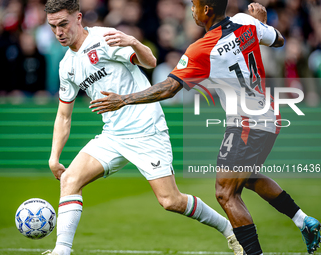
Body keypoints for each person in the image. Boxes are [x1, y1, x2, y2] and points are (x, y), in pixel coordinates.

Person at [89, 1, 321, 254]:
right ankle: (303, 220)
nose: (191, 11)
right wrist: (261, 23)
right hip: (266, 111)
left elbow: (169, 87)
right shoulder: (247, 21)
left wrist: (123, 99)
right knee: (247, 177)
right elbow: (278, 40)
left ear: (207, 10)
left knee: (225, 193)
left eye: (195, 6)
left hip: (247, 121)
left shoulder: (202, 48)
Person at [42, 0, 245, 254]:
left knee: (170, 201)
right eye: (53, 27)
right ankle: (62, 251)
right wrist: (54, 157)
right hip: (113, 135)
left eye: (63, 24)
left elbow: (149, 62)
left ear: (79, 18)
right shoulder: (66, 66)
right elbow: (63, 115)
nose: (59, 32)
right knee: (70, 179)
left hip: (146, 127)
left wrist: (134, 42)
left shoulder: (104, 38)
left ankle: (229, 229)